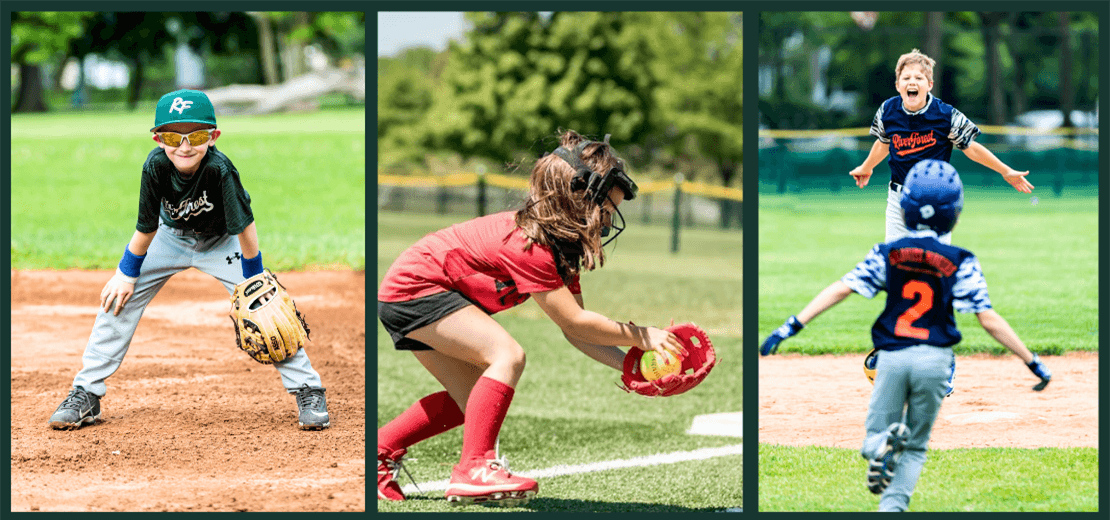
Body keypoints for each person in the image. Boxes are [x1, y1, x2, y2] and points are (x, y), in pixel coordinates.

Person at [376, 130, 687, 506]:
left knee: (472, 399)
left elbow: (576, 327)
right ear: (577, 198)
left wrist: (628, 367)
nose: (606, 225)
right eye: (605, 211)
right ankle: (474, 467)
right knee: (507, 355)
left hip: (413, 291)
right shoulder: (531, 244)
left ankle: (378, 453)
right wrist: (640, 335)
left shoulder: (556, 248)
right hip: (416, 288)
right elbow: (575, 323)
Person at [760, 160, 1051, 512]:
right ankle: (892, 508)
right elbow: (988, 320)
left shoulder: (887, 254)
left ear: (904, 207)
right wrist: (1031, 361)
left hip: (893, 356)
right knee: (915, 446)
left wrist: (792, 325)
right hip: (936, 362)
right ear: (955, 213)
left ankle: (879, 445)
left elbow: (842, 289)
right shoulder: (961, 260)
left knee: (875, 437)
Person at [48, 89, 330, 431]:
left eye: (196, 135)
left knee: (267, 311)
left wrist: (255, 280)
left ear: (213, 137)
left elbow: (245, 227)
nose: (184, 146)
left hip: (221, 242)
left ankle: (308, 389)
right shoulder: (155, 165)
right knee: (118, 300)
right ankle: (86, 392)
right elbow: (145, 227)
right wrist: (126, 273)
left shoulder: (219, 169)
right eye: (172, 136)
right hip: (170, 239)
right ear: (157, 138)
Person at [849, 48, 1034, 245]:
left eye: (919, 78)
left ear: (929, 85)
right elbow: (883, 143)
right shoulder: (887, 110)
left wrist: (1005, 170)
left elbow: (971, 148)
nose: (912, 82)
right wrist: (866, 166)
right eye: (906, 78)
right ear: (897, 85)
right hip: (899, 199)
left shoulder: (946, 115)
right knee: (895, 262)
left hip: (934, 196)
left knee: (935, 261)